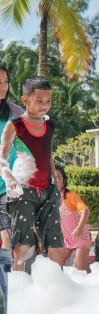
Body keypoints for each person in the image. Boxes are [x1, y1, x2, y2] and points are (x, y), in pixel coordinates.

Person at [0, 76, 65, 271]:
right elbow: (2, 158)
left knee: (56, 243)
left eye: (48, 101)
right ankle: (18, 288)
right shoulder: (15, 125)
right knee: (22, 244)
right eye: (39, 100)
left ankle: (57, 289)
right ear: (25, 100)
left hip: (48, 191)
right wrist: (9, 177)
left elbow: (48, 153)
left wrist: (55, 178)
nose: (45, 105)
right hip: (24, 192)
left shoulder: (49, 124)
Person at [0, 64, 23, 251]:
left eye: (6, 82)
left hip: (10, 187)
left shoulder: (15, 112)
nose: (3, 87)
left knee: (10, 238)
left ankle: (8, 278)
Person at [55, 164, 92, 272]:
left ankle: (94, 284)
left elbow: (85, 210)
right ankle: (96, 281)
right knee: (56, 268)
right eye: (53, 177)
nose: (55, 180)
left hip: (81, 239)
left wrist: (79, 228)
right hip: (67, 241)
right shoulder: (52, 199)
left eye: (58, 177)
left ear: (64, 180)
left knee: (80, 272)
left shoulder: (70, 196)